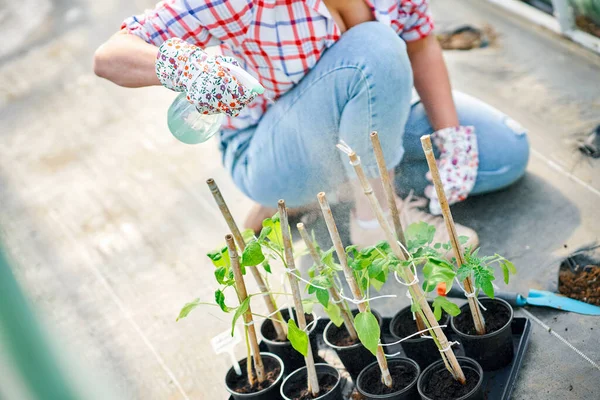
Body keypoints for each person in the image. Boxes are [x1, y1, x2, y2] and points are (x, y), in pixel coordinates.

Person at [94, 0, 529, 248]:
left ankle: (333, 189)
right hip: (271, 145)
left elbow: (419, 44)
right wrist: (185, 68)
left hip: (368, 116)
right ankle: (374, 221)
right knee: (375, 45)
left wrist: (451, 141)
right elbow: (110, 57)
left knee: (505, 152)